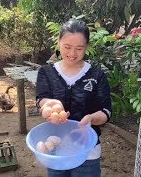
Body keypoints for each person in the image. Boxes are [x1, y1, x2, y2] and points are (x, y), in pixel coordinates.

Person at [35, 18, 112, 177]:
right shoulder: (46, 72)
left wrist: (91, 118)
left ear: (86, 47)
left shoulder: (97, 75)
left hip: (87, 150)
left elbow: (106, 111)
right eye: (67, 47)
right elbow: (41, 99)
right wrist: (50, 106)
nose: (72, 53)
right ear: (58, 42)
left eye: (79, 48)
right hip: (54, 147)